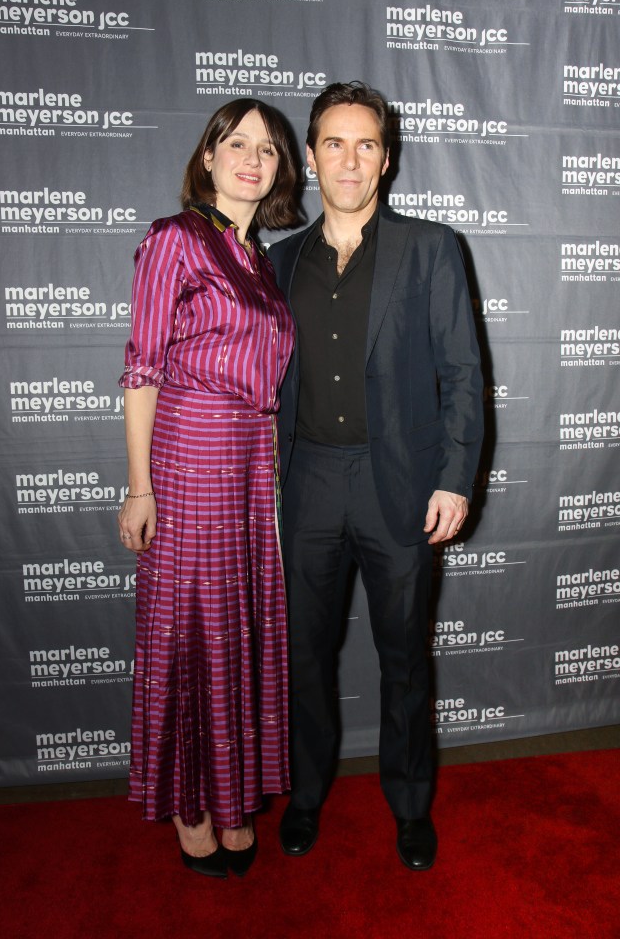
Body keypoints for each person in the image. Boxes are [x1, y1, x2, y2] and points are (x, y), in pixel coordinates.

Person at [268, 82, 483, 871]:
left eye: (365, 144)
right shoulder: (278, 258)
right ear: (312, 156)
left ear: (386, 159)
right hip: (310, 483)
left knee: (404, 661)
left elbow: (463, 374)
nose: (349, 159)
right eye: (333, 142)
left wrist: (455, 478)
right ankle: (307, 795)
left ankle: (410, 806)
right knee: (304, 659)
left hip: (400, 484)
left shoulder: (432, 248)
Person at [117, 99, 298, 879]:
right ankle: (192, 806)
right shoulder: (174, 240)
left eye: (267, 148)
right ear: (209, 156)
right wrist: (139, 487)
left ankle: (233, 802)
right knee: (192, 633)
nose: (252, 158)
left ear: (282, 171)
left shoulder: (258, 257)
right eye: (237, 143)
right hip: (188, 459)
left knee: (236, 632)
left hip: (254, 465)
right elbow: (142, 370)